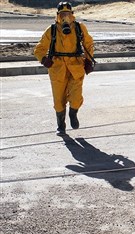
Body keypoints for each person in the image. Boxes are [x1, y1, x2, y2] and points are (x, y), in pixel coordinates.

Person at [34, 1, 94, 136]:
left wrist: (89, 61)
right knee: (58, 98)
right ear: (57, 15)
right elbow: (39, 48)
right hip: (57, 68)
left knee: (76, 96)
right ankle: (61, 125)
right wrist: (44, 59)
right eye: (62, 14)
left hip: (76, 66)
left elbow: (89, 44)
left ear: (72, 14)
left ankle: (73, 113)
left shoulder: (79, 28)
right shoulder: (52, 30)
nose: (65, 17)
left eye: (67, 13)